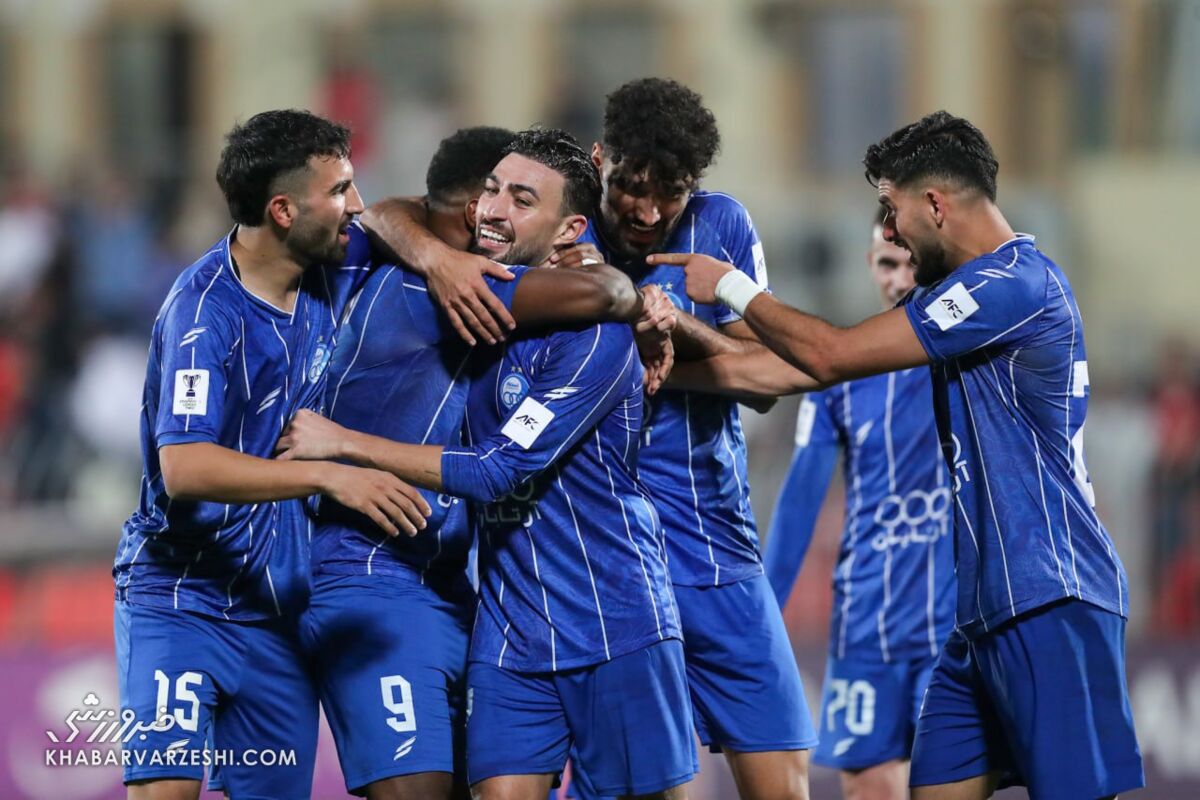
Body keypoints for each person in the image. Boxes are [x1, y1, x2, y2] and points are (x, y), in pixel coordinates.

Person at [668, 110, 1144, 800]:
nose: (888, 232)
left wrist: (733, 288)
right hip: (978, 619)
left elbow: (830, 354)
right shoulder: (960, 299)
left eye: (892, 211)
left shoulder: (1014, 286)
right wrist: (647, 367)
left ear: (936, 204)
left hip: (1052, 597)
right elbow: (790, 371)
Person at [363, 78, 816, 800]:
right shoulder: (552, 227)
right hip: (578, 561)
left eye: (671, 192)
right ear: (601, 161)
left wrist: (663, 327)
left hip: (709, 544)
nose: (648, 210)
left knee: (779, 784)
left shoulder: (720, 225)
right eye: (632, 185)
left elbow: (769, 380)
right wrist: (440, 261)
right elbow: (389, 213)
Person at [285, 128, 687, 800]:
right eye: (490, 192)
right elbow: (389, 212)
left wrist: (342, 442)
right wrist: (435, 255)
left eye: (520, 200)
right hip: (505, 630)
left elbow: (496, 470)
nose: (492, 210)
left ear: (570, 229)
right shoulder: (462, 294)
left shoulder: (586, 338)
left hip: (611, 620)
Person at [112, 109, 430, 800]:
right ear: (283, 211)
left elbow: (409, 217)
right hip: (181, 599)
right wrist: (330, 477)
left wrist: (442, 260)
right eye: (340, 190)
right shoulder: (205, 315)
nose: (358, 205)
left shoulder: (330, 264)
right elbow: (185, 469)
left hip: (275, 609)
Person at [762, 208, 955, 800]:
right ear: (872, 265)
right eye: (888, 264)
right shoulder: (841, 373)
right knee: (868, 789)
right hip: (866, 624)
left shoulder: (973, 358)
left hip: (955, 630)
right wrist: (761, 620)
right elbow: (799, 500)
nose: (900, 280)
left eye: (911, 264)